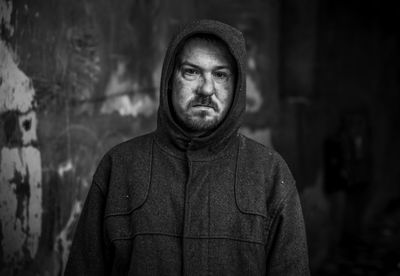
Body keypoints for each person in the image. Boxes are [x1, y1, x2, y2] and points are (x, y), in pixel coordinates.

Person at [65, 19, 310, 275]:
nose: (206, 88)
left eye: (220, 74)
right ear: (170, 80)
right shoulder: (120, 166)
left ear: (236, 86)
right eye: (191, 72)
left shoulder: (269, 173)